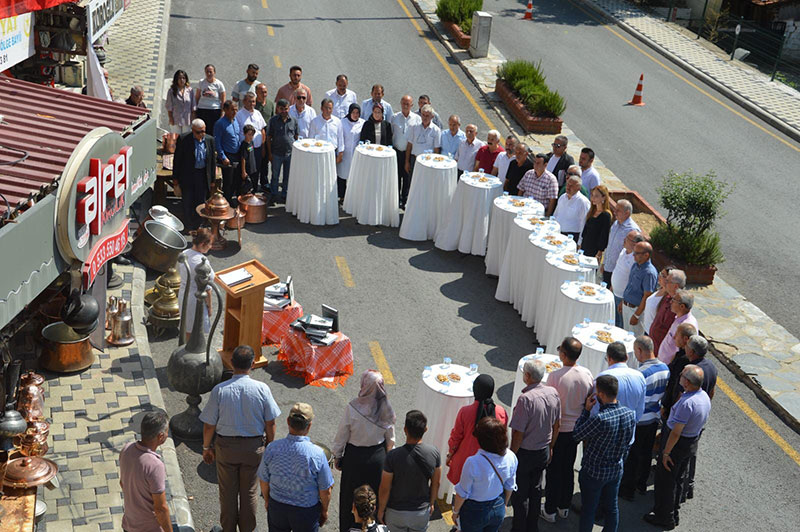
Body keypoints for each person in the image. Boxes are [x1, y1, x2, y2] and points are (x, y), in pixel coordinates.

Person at [200, 345, 282, 532]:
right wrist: (269, 445)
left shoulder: (219, 390)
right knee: (250, 492)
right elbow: (270, 422)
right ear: (252, 364)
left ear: (231, 363)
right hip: (253, 448)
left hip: (226, 448)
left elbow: (209, 425)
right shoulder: (262, 389)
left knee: (227, 493)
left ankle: (228, 529)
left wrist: (206, 448)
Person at [644, 365, 710, 529]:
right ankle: (674, 511)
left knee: (665, 482)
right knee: (678, 479)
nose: (679, 376)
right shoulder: (703, 397)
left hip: (677, 445)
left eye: (681, 375)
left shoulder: (687, 403)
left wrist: (666, 453)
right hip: (691, 442)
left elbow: (676, 432)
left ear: (686, 382)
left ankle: (664, 517)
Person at [333, 370, 396, 532]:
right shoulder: (385, 408)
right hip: (377, 459)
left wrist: (338, 456)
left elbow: (342, 435)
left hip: (354, 460)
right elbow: (391, 440)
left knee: (350, 499)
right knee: (373, 498)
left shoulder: (353, 407)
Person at [573, 375, 636, 532]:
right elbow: (628, 442)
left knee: (589, 509)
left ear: (600, 394)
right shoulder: (630, 414)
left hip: (594, 472)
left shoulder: (600, 419)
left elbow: (577, 435)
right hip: (615, 470)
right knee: (612, 507)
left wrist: (586, 411)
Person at [541, 338, 594, 523]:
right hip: (576, 430)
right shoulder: (586, 374)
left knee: (554, 470)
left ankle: (549, 509)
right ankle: (564, 506)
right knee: (568, 468)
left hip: (559, 429)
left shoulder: (554, 376)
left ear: (563, 354)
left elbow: (549, 404)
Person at [259, 403, 334, 531]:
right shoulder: (317, 454)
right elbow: (325, 490)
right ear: (309, 426)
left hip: (277, 507)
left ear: (288, 421)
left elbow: (264, 480)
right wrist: (324, 511)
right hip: (305, 512)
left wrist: (267, 501)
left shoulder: (272, 448)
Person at [509, 359, 560, 532]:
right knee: (536, 490)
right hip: (543, 450)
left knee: (520, 494)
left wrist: (512, 455)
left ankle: (519, 528)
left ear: (528, 376)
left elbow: (518, 433)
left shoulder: (525, 399)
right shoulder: (553, 393)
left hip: (525, 453)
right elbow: (557, 425)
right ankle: (532, 527)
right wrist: (551, 447)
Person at [619, 336, 669, 500]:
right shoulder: (665, 368)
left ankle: (628, 489)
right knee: (646, 452)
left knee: (633, 455)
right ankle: (641, 484)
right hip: (654, 417)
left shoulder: (640, 374)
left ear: (640, 350)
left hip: (640, 420)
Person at [378, 410, 441, 532]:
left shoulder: (392, 456)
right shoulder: (434, 453)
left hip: (396, 513)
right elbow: (436, 483)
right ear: (425, 429)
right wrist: (432, 503)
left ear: (405, 430)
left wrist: (381, 510)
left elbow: (385, 488)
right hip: (420, 513)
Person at [452, 418, 518, 532]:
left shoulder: (473, 462)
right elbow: (510, 486)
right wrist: (504, 504)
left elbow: (462, 493)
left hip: (474, 511)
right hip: (498, 506)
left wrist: (455, 512)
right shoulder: (511, 456)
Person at [446, 374, 508, 487]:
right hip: (489, 464)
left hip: (465, 460)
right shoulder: (501, 412)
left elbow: (456, 437)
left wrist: (450, 454)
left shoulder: (465, 412)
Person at [119, 412, 171, 532]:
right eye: (167, 431)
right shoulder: (155, 465)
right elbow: (161, 509)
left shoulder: (126, 449)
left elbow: (122, 484)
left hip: (129, 524)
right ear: (161, 436)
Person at [682, 335, 716, 502]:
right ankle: (689, 486)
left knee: (679, 454)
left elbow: (680, 394)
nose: (685, 347)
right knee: (692, 452)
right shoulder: (711, 367)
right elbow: (712, 393)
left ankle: (680, 489)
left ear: (693, 351)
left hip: (686, 418)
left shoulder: (690, 370)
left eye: (687, 346)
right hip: (700, 416)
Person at [172, 119, 215, 230]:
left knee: (200, 201)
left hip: (202, 175)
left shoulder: (210, 140)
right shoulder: (184, 139)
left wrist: (213, 180)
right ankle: (188, 224)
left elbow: (212, 161)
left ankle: (198, 223)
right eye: (198, 132)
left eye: (203, 131)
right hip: (188, 175)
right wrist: (175, 178)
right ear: (192, 131)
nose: (201, 134)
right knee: (187, 200)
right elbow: (177, 160)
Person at [593, 342, 646, 425]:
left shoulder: (603, 378)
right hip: (628, 431)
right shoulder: (640, 376)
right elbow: (640, 409)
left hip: (606, 430)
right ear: (627, 357)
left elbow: (594, 409)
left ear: (609, 358)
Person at [178, 229, 214, 340]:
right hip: (196, 299)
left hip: (183, 294)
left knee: (187, 326)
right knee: (197, 331)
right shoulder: (201, 262)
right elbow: (207, 288)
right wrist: (210, 306)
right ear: (203, 244)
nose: (211, 247)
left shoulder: (184, 253)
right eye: (210, 244)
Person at [404, 104, 441, 201]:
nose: (425, 117)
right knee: (412, 183)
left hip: (428, 163)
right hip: (414, 159)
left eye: (427, 116)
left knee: (425, 185)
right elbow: (409, 145)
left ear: (432, 116)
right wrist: (407, 162)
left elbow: (437, 150)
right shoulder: (414, 127)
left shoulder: (436, 131)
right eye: (423, 115)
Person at [660, 323, 697, 420]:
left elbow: (675, 385)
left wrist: (667, 407)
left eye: (677, 334)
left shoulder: (683, 360)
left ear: (685, 339)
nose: (674, 337)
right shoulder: (681, 353)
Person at [621, 241, 659, 335]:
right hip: (626, 306)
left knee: (633, 339)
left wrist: (636, 315)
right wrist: (623, 301)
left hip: (635, 310)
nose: (633, 255)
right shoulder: (635, 265)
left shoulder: (649, 273)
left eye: (636, 253)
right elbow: (630, 285)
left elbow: (647, 296)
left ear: (646, 255)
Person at [601, 199, 640, 288]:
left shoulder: (633, 230)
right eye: (615, 209)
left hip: (619, 271)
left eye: (618, 210)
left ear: (627, 213)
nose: (614, 212)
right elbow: (610, 245)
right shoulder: (615, 223)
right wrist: (604, 263)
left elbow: (632, 255)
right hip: (608, 267)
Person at [391, 95, 421, 208]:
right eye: (403, 103)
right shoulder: (394, 117)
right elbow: (392, 133)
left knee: (407, 177)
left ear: (412, 105)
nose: (405, 106)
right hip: (397, 151)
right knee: (397, 176)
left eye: (407, 104)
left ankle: (405, 200)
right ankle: (396, 199)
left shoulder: (417, 119)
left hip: (409, 153)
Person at [611, 230, 644, 328]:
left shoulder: (636, 260)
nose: (624, 240)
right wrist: (612, 287)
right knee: (613, 320)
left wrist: (624, 300)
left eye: (627, 239)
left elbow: (633, 282)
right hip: (614, 293)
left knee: (621, 324)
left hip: (622, 298)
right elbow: (617, 269)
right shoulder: (623, 251)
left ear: (634, 244)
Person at [267, 98, 298, 202]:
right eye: (282, 109)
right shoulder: (273, 121)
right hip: (276, 154)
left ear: (289, 108)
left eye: (286, 109)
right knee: (275, 176)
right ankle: (274, 195)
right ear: (278, 109)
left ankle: (285, 195)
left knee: (287, 176)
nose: (284, 111)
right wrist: (270, 153)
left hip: (290, 154)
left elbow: (296, 136)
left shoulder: (293, 121)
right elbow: (268, 138)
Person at [235, 92, 267, 190]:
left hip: (257, 148)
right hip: (246, 148)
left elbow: (262, 129)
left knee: (255, 171)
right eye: (249, 101)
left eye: (253, 101)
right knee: (245, 172)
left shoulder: (257, 113)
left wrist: (262, 145)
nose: (252, 104)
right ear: (244, 101)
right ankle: (243, 195)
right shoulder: (239, 115)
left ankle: (253, 192)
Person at [649, 269, 686, 353]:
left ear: (676, 286)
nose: (665, 282)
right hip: (653, 346)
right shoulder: (667, 297)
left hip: (663, 352)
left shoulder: (678, 307)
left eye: (668, 281)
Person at [658, 290, 698, 364]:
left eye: (673, 300)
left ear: (682, 306)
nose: (670, 302)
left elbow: (682, 351)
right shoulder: (679, 318)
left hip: (669, 365)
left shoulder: (686, 326)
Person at [213, 100, 241, 203]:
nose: (234, 112)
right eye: (232, 110)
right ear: (225, 110)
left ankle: (232, 200)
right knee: (228, 182)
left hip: (236, 155)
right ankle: (227, 202)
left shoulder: (235, 121)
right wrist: (223, 157)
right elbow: (217, 142)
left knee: (235, 180)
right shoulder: (220, 124)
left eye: (236, 110)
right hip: (227, 156)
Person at [579, 184, 613, 262]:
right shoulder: (592, 211)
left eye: (596, 196)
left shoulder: (606, 215)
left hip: (594, 249)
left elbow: (604, 235)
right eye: (592, 195)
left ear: (603, 197)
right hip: (585, 246)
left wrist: (600, 252)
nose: (593, 198)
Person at [338, 103, 365, 199]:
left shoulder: (362, 123)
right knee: (342, 175)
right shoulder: (342, 122)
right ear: (349, 112)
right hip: (344, 154)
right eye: (353, 112)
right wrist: (340, 153)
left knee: (355, 176)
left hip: (356, 154)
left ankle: (353, 197)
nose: (355, 115)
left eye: (357, 113)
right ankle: (342, 197)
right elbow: (340, 138)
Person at [553, 175, 591, 242]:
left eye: (571, 186)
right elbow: (556, 214)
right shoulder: (562, 197)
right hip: (557, 233)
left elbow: (584, 223)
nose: (568, 187)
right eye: (567, 184)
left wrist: (580, 241)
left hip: (571, 236)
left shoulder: (583, 202)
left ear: (578, 188)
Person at [309, 98, 345, 164]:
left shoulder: (337, 122)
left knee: (331, 174)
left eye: (330, 108)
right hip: (319, 152)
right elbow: (311, 139)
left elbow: (340, 139)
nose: (328, 110)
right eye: (326, 108)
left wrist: (340, 154)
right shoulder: (315, 121)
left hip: (332, 153)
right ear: (321, 108)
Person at [642, 266, 673, 336]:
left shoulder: (668, 300)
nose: (659, 276)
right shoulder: (659, 289)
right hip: (646, 330)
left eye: (663, 276)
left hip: (653, 335)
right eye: (660, 273)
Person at [195, 64, 225, 133]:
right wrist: (194, 110)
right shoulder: (201, 82)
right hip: (202, 110)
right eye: (207, 72)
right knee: (201, 130)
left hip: (214, 111)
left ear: (214, 72)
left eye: (210, 72)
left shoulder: (219, 84)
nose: (209, 74)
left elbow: (223, 99)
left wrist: (222, 112)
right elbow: (197, 97)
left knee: (213, 131)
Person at [166, 69, 194, 135]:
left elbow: (193, 106)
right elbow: (169, 106)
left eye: (183, 78)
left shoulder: (190, 90)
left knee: (186, 138)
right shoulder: (171, 91)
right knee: (176, 138)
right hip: (175, 119)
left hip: (187, 119)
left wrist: (193, 119)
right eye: (179, 78)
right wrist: (171, 118)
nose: (182, 80)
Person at [238, 124, 259, 192]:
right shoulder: (244, 145)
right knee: (246, 187)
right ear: (244, 134)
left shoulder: (251, 142)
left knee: (252, 186)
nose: (251, 136)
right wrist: (243, 171)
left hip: (253, 168)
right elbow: (243, 158)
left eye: (252, 135)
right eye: (249, 134)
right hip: (247, 169)